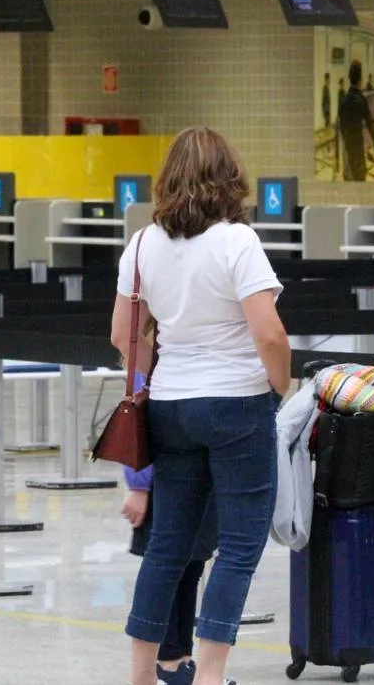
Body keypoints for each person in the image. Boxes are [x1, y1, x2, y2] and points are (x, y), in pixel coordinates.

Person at [112, 126, 291, 685]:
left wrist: (170, 362)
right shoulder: (238, 242)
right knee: (238, 545)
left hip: (170, 405)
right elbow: (269, 334)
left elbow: (125, 336)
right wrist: (281, 388)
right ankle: (208, 675)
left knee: (167, 544)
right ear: (229, 179)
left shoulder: (142, 244)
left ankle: (142, 674)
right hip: (236, 403)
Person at [118, 321, 220, 685]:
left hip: (196, 479)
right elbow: (137, 429)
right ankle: (168, 659)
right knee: (168, 569)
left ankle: (182, 655)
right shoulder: (152, 366)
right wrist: (138, 486)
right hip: (161, 483)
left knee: (192, 568)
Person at [337, 61, 374, 182]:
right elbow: (371, 128)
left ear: (349, 79)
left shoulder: (343, 101)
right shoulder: (361, 100)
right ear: (360, 80)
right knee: (360, 181)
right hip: (358, 150)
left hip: (347, 151)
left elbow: (341, 127)